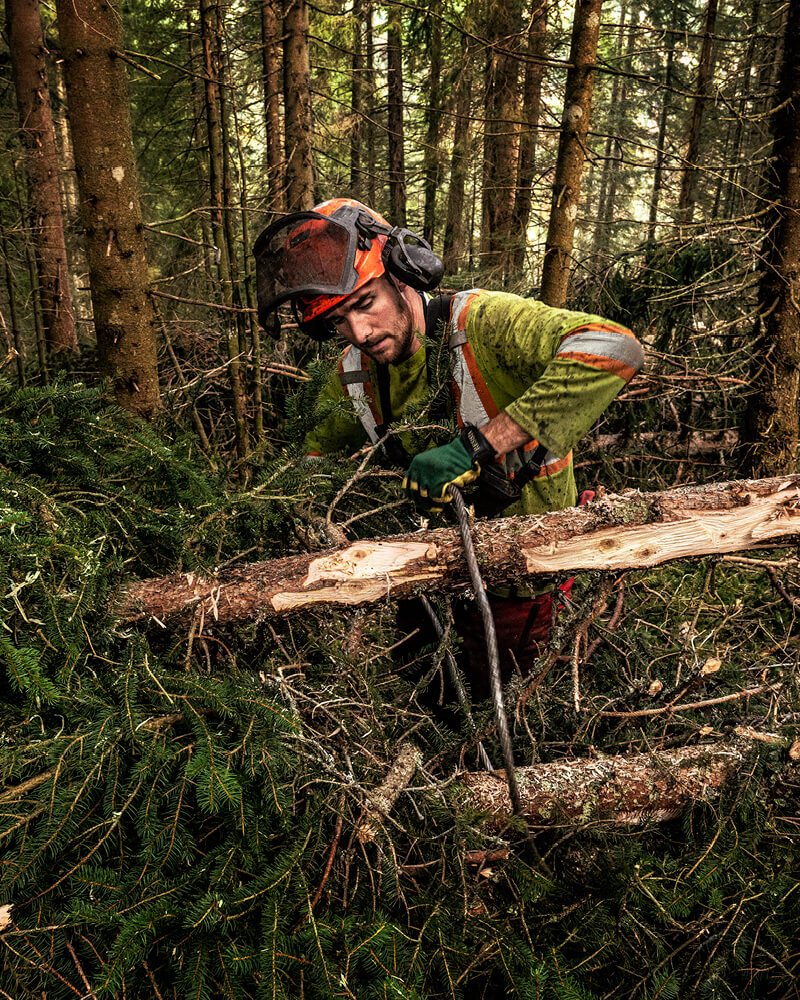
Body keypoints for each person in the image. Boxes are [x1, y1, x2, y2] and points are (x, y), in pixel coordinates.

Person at [253, 197, 644, 699]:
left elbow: (615, 348)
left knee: (506, 708)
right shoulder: (352, 375)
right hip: (429, 579)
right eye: (337, 322)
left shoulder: (481, 323)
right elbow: (309, 469)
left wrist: (479, 445)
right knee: (424, 700)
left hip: (526, 575)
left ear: (402, 273)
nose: (359, 333)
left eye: (365, 304)